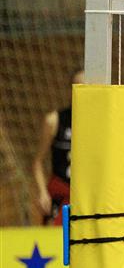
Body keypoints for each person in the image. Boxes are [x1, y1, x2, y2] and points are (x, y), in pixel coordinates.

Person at [31, 69, 83, 224]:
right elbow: (38, 162)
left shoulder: (101, 123)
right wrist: (42, 192)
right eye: (78, 87)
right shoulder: (54, 120)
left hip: (88, 196)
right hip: (61, 193)